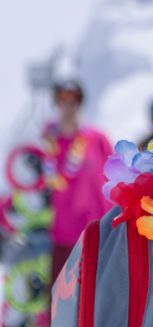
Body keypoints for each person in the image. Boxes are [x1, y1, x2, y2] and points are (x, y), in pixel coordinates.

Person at [42, 80, 112, 284]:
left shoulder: (97, 138)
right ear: (57, 103)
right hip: (62, 237)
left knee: (97, 299)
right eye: (63, 100)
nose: (69, 106)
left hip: (96, 236)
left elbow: (115, 178)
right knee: (61, 302)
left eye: (75, 100)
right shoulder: (46, 143)